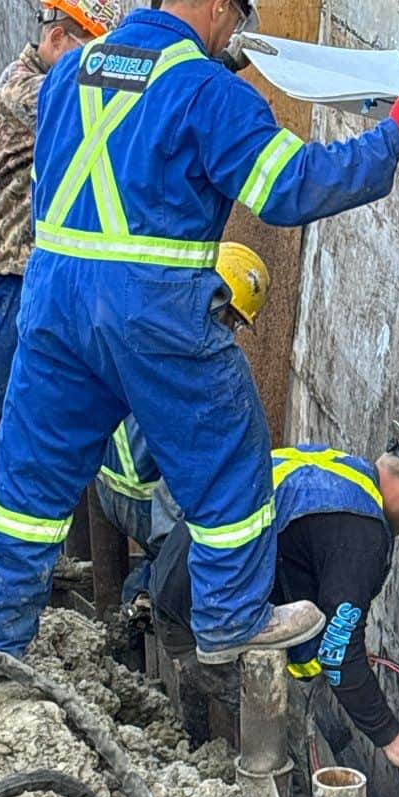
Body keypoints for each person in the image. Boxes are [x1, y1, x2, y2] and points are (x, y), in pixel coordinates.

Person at [0, 0, 399, 663]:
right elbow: (292, 188)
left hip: (53, 299)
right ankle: (230, 618)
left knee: (28, 484)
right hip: (152, 308)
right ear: (224, 4)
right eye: (239, 18)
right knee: (231, 454)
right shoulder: (206, 92)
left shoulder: (76, 68)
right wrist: (393, 134)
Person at [149, 419, 399, 797]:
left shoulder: (338, 473)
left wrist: (342, 651)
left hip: (181, 590)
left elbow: (314, 586)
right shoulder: (362, 533)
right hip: (202, 630)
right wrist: (390, 735)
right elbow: (337, 651)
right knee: (301, 783)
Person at [0, 0, 122, 453]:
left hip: (27, 270)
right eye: (93, 57)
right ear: (59, 37)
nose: (98, 71)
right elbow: (106, 104)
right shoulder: (28, 91)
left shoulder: (46, 83)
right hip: (6, 267)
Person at [95, 240, 271, 601]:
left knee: (165, 554)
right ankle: (156, 596)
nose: (231, 330)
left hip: (104, 485)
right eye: (231, 318)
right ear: (216, 301)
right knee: (188, 553)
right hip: (147, 502)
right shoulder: (203, 366)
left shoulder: (148, 320)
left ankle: (139, 598)